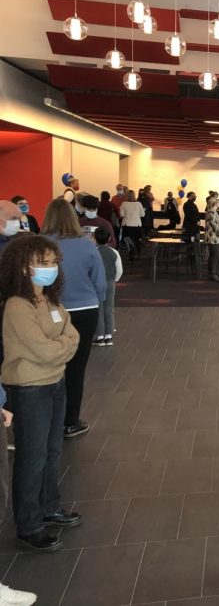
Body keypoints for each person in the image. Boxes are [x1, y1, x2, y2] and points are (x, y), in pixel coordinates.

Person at [0, 234, 81, 556]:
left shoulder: (51, 300)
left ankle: (50, 507)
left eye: (51, 262)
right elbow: (44, 349)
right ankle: (29, 525)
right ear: (22, 267)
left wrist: (59, 348)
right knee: (31, 458)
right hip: (29, 388)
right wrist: (62, 347)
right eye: (41, 263)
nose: (48, 268)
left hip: (55, 383)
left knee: (51, 451)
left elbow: (71, 335)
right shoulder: (17, 306)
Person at [42, 199, 106, 439]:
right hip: (86, 310)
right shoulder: (87, 245)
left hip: (51, 311)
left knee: (50, 363)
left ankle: (47, 417)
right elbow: (99, 282)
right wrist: (95, 301)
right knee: (76, 368)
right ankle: (70, 421)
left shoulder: (41, 245)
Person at [92, 227, 122, 347]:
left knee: (99, 308)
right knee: (109, 308)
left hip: (96, 283)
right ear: (109, 239)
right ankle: (109, 336)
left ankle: (99, 336)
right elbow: (119, 270)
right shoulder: (114, 252)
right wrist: (114, 280)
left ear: (94, 238)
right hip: (110, 282)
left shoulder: (93, 251)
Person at [205, 193, 219, 282]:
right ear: (215, 204)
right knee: (214, 255)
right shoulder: (211, 212)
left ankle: (211, 273)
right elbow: (216, 226)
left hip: (214, 237)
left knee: (213, 255)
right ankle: (213, 274)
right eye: (218, 203)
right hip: (212, 237)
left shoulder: (213, 212)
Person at [119, 190, 145, 259]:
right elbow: (142, 214)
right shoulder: (139, 204)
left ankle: (131, 254)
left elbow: (121, 214)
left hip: (127, 224)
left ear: (127, 195)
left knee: (128, 240)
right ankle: (138, 254)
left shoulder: (124, 203)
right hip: (137, 224)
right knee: (137, 240)